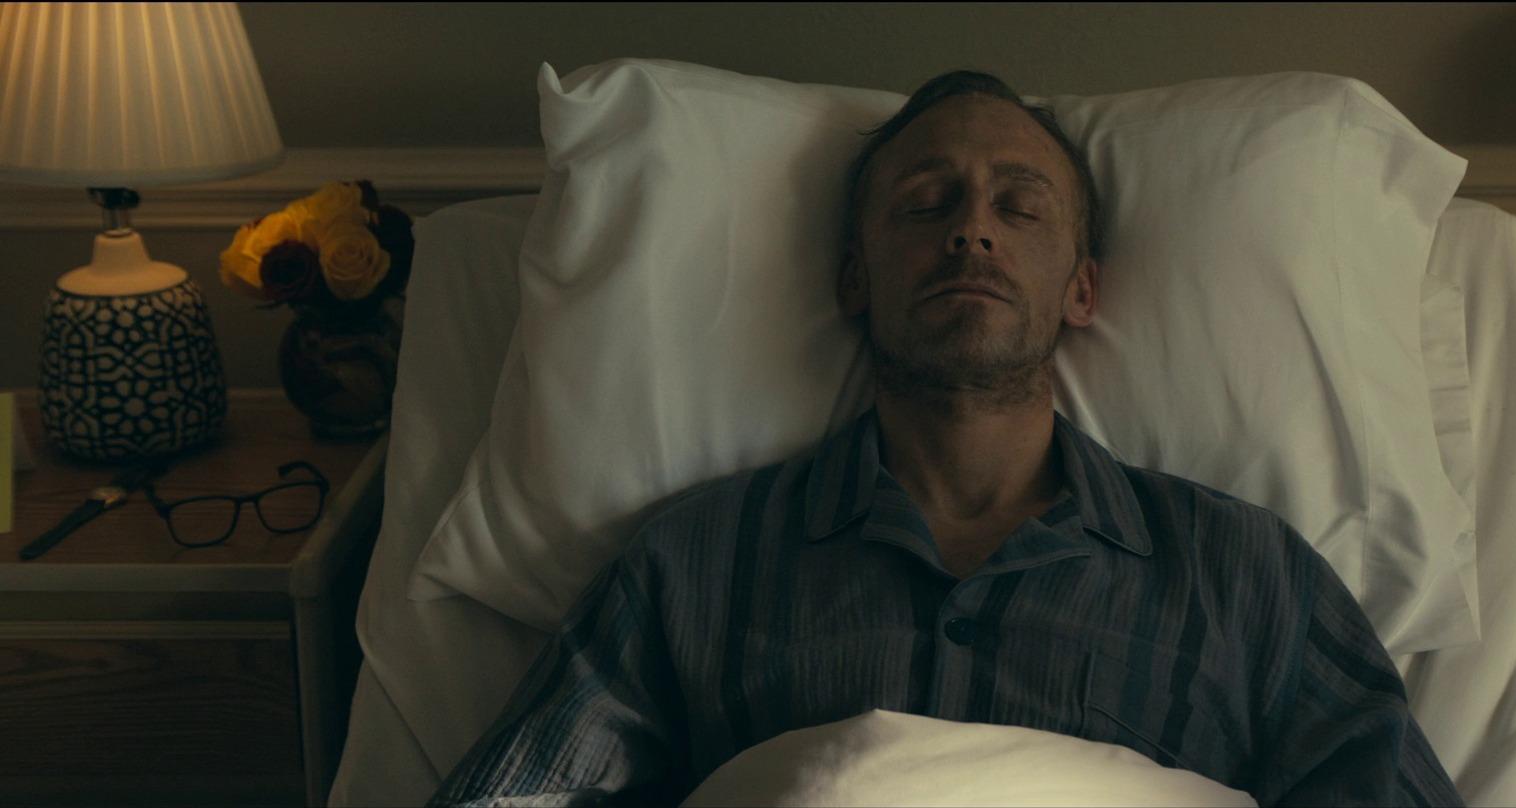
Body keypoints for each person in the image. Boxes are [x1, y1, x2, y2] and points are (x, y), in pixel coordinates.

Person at [427, 70, 1463, 807]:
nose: (972, 229)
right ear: (853, 276)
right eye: (926, 204)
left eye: (1019, 207)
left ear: (1082, 289)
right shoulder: (697, 561)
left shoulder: (1243, 573)